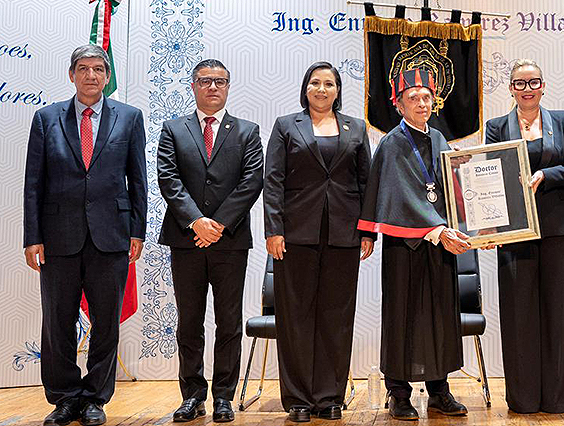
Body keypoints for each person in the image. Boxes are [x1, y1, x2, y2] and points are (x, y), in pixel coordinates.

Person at [23, 44, 146, 426]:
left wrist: (137, 230)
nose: (91, 75)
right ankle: (64, 398)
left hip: (111, 236)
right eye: (83, 69)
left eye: (98, 69)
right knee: (57, 321)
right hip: (58, 237)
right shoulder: (47, 118)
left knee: (106, 322)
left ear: (107, 77)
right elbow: (33, 183)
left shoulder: (129, 117)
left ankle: (95, 398)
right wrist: (32, 236)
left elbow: (137, 179)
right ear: (71, 75)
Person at [263, 62, 374, 422]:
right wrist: (273, 230)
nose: (322, 89)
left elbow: (366, 184)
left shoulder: (355, 128)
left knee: (336, 317)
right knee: (295, 317)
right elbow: (273, 181)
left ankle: (329, 398)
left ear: (338, 90)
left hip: (344, 234)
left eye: (329, 83)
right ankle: (297, 399)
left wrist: (368, 231)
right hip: (295, 235)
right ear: (305, 88)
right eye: (315, 82)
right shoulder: (285, 126)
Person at [358, 69, 470, 421]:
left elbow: (447, 189)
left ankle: (439, 391)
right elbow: (401, 196)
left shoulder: (438, 137)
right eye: (413, 98)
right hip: (405, 246)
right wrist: (438, 230)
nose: (421, 103)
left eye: (426, 97)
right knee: (403, 318)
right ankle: (399, 393)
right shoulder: (392, 142)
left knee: (440, 317)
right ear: (398, 103)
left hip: (439, 246)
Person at [157, 59, 264, 423]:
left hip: (229, 241)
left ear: (228, 86)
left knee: (228, 321)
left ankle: (223, 397)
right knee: (189, 321)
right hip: (186, 241)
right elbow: (168, 179)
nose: (212, 87)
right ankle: (192, 395)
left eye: (219, 81)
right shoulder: (173, 129)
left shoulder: (248, 131)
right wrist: (196, 223)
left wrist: (216, 224)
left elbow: (252, 182)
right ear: (193, 85)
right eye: (205, 81)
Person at [484, 59, 564, 413]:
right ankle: (523, 398)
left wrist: (546, 174)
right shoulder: (495, 126)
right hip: (515, 232)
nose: (527, 89)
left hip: (559, 227)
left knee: (561, 312)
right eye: (520, 83)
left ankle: (562, 398)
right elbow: (490, 175)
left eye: (534, 82)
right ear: (510, 88)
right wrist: (488, 225)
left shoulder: (562, 120)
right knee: (519, 314)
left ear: (543, 86)